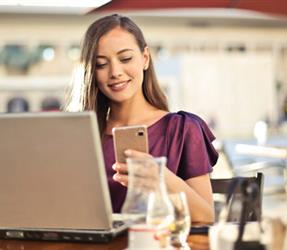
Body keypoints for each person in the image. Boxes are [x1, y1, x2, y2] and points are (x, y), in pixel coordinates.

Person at [65, 14, 218, 223]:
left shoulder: (183, 129)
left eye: (125, 59)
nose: (115, 72)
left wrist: (160, 178)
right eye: (101, 64)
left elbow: (207, 216)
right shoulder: (80, 136)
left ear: (145, 58)